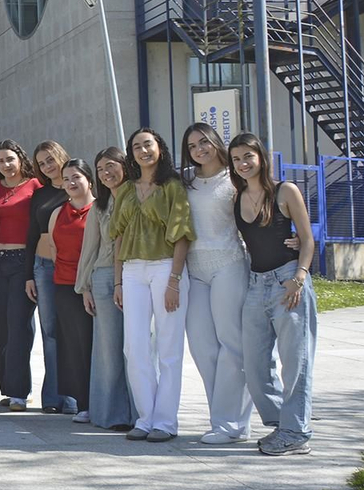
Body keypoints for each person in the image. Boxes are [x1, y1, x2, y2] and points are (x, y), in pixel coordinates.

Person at [230, 133, 318, 456]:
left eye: (248, 156)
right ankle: (286, 424)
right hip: (255, 284)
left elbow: (307, 239)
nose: (243, 163)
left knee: (296, 361)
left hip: (287, 282)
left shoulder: (285, 191)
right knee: (254, 366)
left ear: (261, 157)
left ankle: (295, 432)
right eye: (237, 158)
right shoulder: (236, 199)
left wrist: (299, 276)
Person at [110, 127, 195, 443]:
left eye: (148, 144)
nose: (143, 151)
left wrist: (174, 279)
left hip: (165, 268)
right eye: (136, 146)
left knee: (169, 348)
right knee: (134, 347)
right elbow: (118, 236)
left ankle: (166, 421)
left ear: (159, 147)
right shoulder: (127, 190)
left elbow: (183, 234)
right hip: (132, 271)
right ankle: (145, 418)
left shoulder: (173, 187)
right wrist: (118, 281)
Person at [182, 122, 262, 444]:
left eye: (204, 142)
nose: (199, 149)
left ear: (216, 142)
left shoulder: (235, 178)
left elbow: (260, 210)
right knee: (202, 346)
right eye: (191, 146)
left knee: (232, 345)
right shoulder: (184, 181)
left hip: (229, 263)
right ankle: (223, 419)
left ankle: (232, 424)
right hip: (195, 269)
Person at [73, 148, 138, 431]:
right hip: (102, 277)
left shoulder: (139, 195)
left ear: (124, 165)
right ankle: (111, 415)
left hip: (136, 275)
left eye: (111, 166)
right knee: (108, 350)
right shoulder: (100, 206)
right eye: (100, 169)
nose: (106, 173)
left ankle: (142, 414)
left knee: (138, 349)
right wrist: (85, 285)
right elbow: (90, 248)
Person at [0, 139, 41, 409]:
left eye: (10, 159)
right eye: (0, 161)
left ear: (20, 158)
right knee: (1, 327)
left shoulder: (34, 186)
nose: (6, 165)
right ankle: (8, 388)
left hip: (22, 261)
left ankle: (20, 391)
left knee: (19, 326)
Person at [46, 159, 98, 423]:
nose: (71, 183)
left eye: (76, 177)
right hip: (65, 285)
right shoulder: (58, 212)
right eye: (66, 179)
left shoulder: (99, 209)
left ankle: (100, 400)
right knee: (72, 346)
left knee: (93, 345)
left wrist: (87, 282)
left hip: (93, 286)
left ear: (88, 178)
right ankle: (83, 403)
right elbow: (54, 249)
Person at [23, 140, 71, 413]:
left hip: (72, 267)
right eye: (42, 163)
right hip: (44, 267)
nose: (47, 166)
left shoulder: (78, 185)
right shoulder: (40, 195)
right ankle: (53, 397)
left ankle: (75, 396)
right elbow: (31, 235)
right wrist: (30, 274)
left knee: (72, 331)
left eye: (50, 159)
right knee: (50, 331)